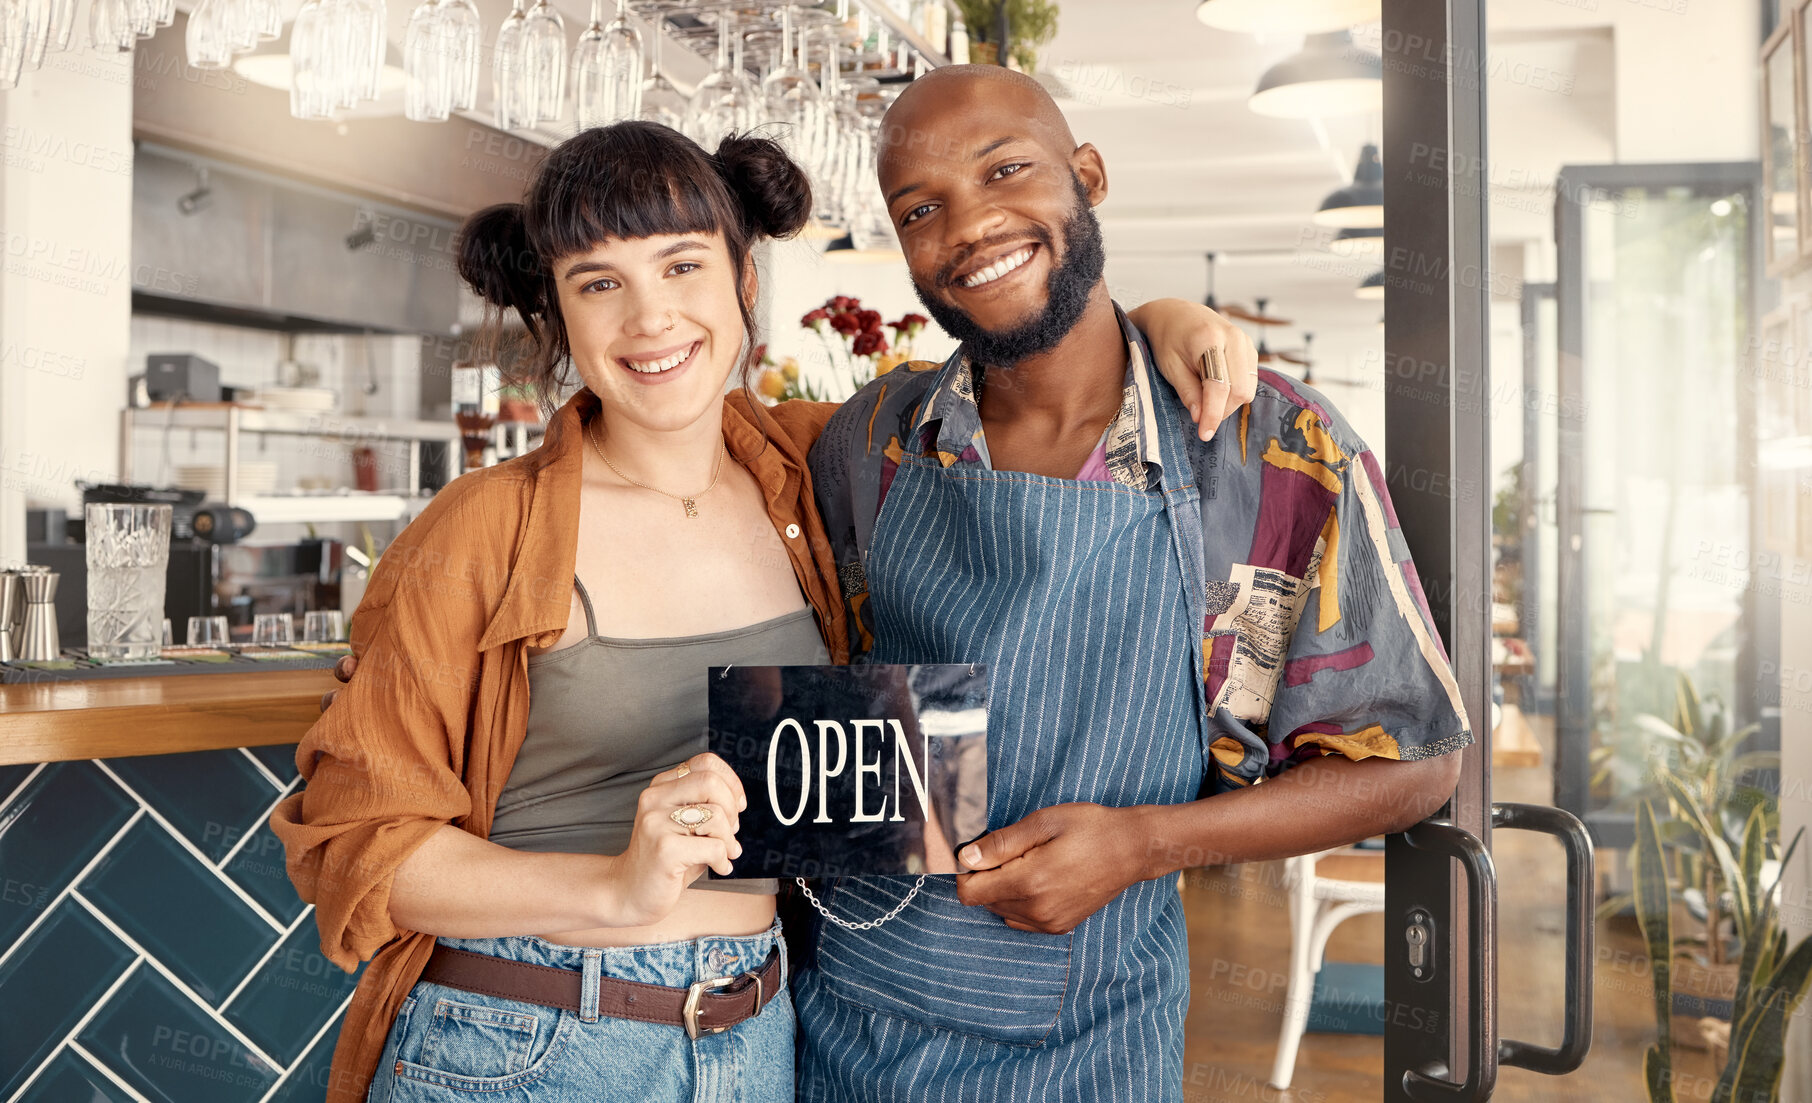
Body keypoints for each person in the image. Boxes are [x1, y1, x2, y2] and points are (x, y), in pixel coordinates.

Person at [280, 119, 1258, 1103]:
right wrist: (613, 886)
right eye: (599, 283)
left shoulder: (815, 465)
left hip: (761, 1034)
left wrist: (1157, 324)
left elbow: (1028, 379)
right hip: (533, 1036)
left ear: (744, 278)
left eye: (681, 266)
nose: (650, 318)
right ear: (560, 314)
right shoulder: (487, 524)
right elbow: (360, 846)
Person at [795, 66, 1472, 1101]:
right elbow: (849, 715)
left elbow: (1415, 763)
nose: (970, 227)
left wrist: (1145, 843)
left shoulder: (1269, 451)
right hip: (846, 1013)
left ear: (1090, 177)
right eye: (921, 209)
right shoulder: (871, 441)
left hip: (1090, 1033)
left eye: (1006, 170)